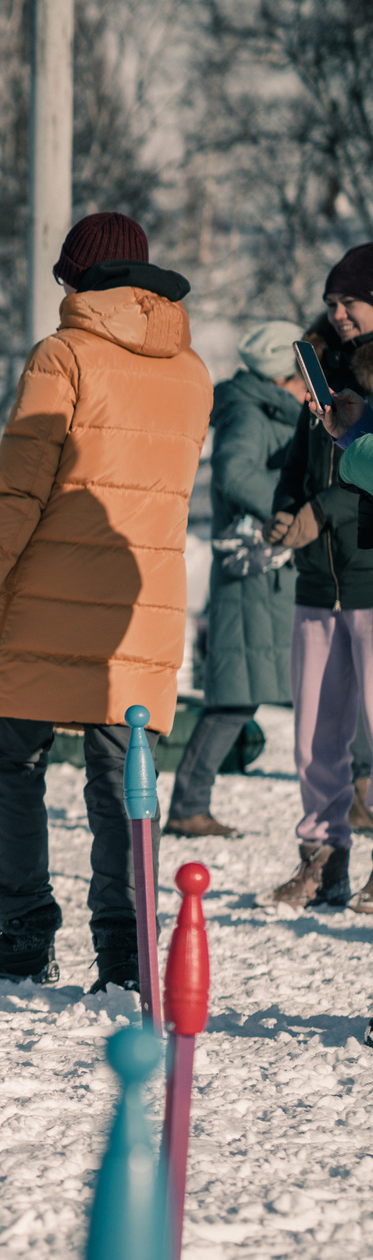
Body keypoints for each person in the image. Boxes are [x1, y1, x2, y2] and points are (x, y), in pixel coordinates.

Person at [0, 214, 210, 992]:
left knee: (6, 753)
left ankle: (23, 933)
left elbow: (19, 492)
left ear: (77, 278)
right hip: (139, 604)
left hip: (45, 598)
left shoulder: (65, 355)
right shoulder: (192, 370)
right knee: (123, 779)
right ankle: (124, 956)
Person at [166, 320, 307, 838]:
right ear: (284, 376)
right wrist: (297, 499)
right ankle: (187, 805)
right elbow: (233, 473)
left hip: (269, 579)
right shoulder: (251, 412)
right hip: (255, 575)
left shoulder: (264, 406)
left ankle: (189, 802)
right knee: (233, 698)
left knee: (256, 693)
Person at [266, 246, 373, 909]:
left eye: (351, 302)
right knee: (314, 734)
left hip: (368, 571)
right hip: (317, 580)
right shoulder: (320, 367)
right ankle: (323, 859)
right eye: (331, 302)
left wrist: (322, 511)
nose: (337, 314)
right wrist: (285, 510)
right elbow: (303, 459)